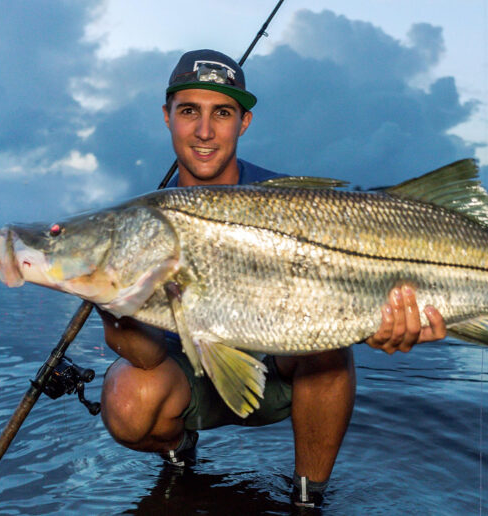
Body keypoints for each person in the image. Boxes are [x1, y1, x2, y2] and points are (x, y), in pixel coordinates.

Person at [98, 49, 446, 507]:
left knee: (329, 347)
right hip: (191, 377)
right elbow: (143, 355)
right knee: (127, 401)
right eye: (189, 112)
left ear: (244, 122)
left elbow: (347, 294)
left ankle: (307, 498)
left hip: (281, 368)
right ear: (167, 117)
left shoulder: (294, 205)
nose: (204, 131)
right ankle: (179, 450)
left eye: (221, 113)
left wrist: (379, 323)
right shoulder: (137, 224)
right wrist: (109, 296)